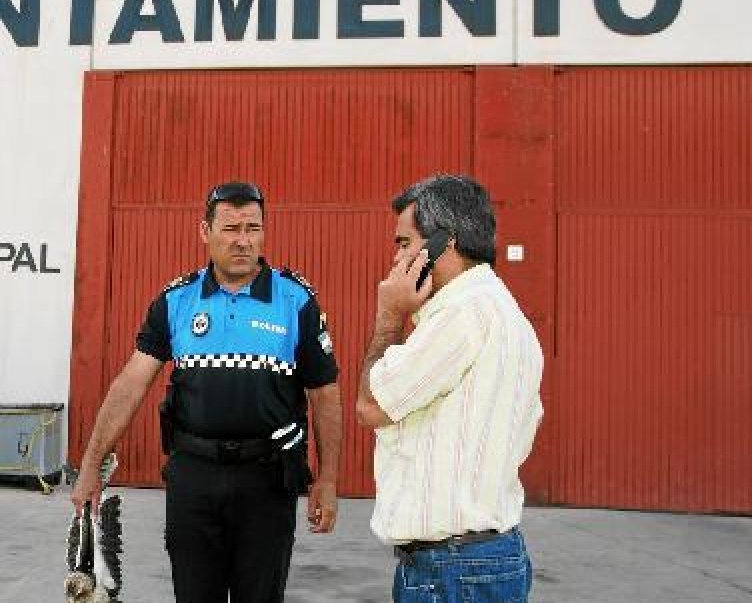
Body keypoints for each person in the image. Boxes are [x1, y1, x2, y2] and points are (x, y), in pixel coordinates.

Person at [71, 181, 343, 603]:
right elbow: (131, 384)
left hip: (268, 480)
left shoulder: (296, 301)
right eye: (230, 229)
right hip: (193, 479)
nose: (242, 241)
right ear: (205, 231)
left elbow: (325, 393)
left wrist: (327, 479)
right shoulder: (176, 301)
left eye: (252, 228)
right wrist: (91, 464)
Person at [355, 174, 544, 603]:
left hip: (450, 570)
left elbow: (369, 406)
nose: (396, 258)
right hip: (488, 557)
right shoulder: (510, 317)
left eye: (404, 243)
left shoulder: (459, 317)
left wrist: (389, 315)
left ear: (445, 243)